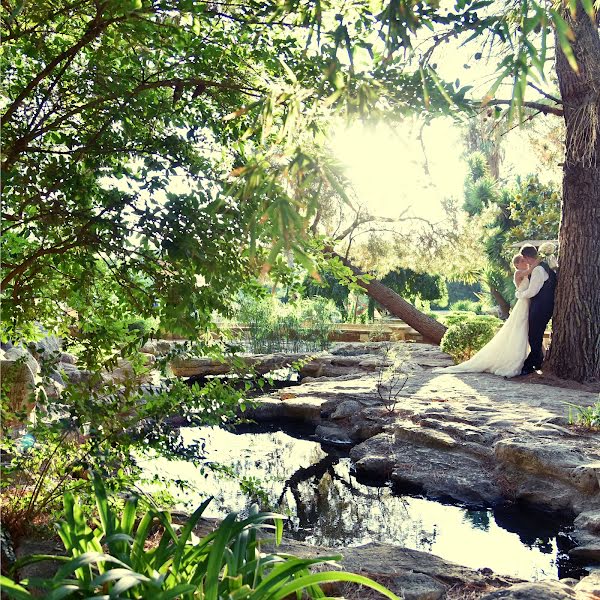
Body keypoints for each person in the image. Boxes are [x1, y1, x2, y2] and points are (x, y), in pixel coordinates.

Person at [436, 254, 537, 378]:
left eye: (524, 259)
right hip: (522, 305)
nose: (525, 261)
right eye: (522, 260)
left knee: (524, 330)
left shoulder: (527, 273)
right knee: (520, 330)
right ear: (516, 264)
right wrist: (541, 257)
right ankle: (517, 360)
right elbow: (530, 270)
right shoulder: (518, 273)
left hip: (528, 304)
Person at [516, 244, 557, 375]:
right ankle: (538, 361)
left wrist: (519, 295)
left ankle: (529, 365)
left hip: (540, 306)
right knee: (535, 335)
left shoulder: (539, 270)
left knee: (534, 335)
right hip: (544, 305)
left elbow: (533, 291)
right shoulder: (545, 265)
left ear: (526, 257)